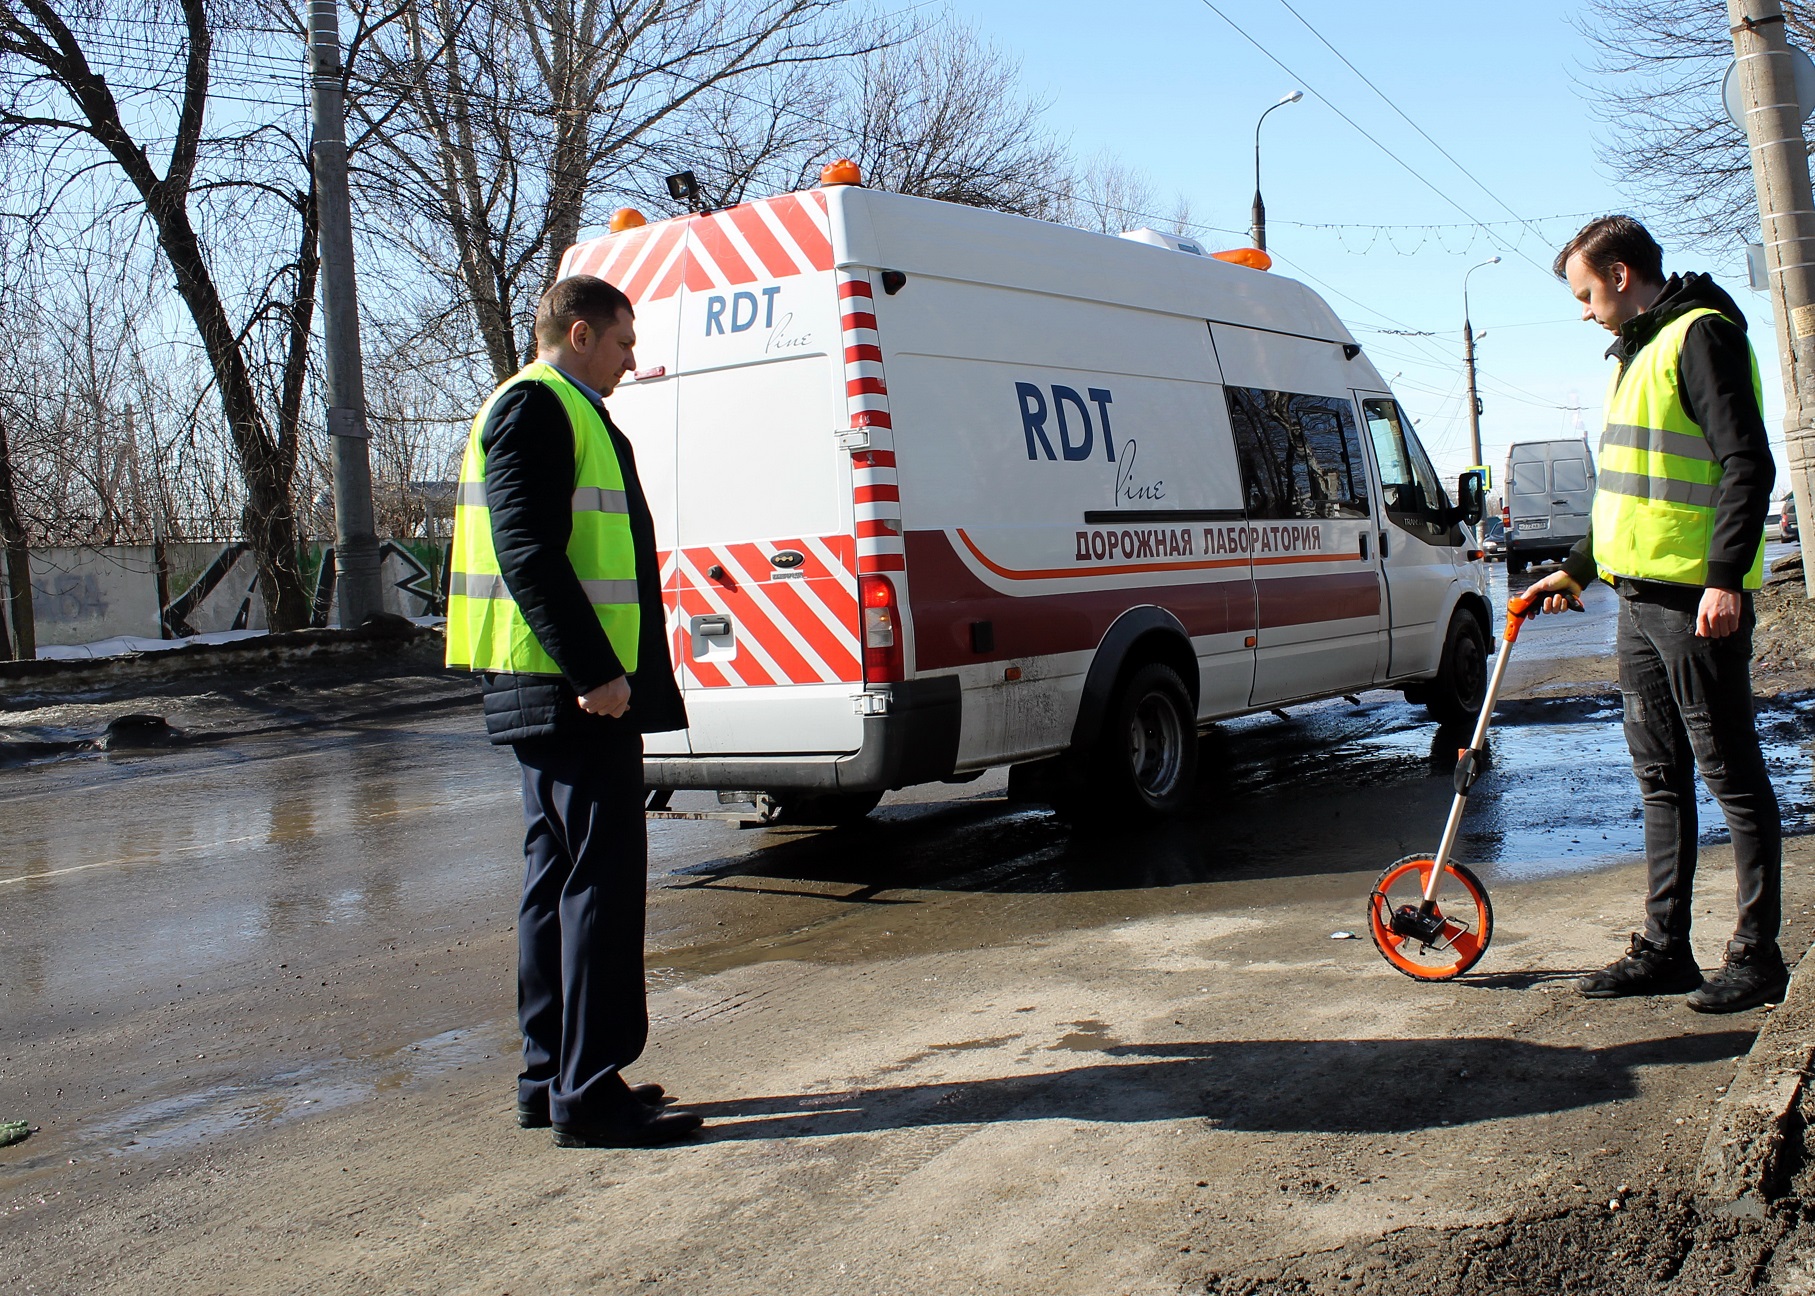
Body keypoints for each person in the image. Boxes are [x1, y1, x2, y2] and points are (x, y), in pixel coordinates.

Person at [446, 274, 700, 1145]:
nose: (634, 360)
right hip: (568, 691)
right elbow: (529, 550)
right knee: (596, 880)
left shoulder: (555, 407)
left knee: (557, 880)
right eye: (625, 343)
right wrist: (595, 670)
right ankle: (588, 1094)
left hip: (555, 688)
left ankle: (553, 1077)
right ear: (581, 333)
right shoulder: (538, 406)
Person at [1525, 215, 1787, 1013]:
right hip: (1635, 600)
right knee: (1658, 777)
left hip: (1692, 602)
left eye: (1583, 293)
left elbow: (1747, 461)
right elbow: (1629, 494)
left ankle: (1755, 956)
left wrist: (1723, 579)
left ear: (1621, 273)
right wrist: (1573, 569)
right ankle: (1664, 947)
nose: (1582, 310)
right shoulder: (1637, 351)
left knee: (1729, 775)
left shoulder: (1698, 337)